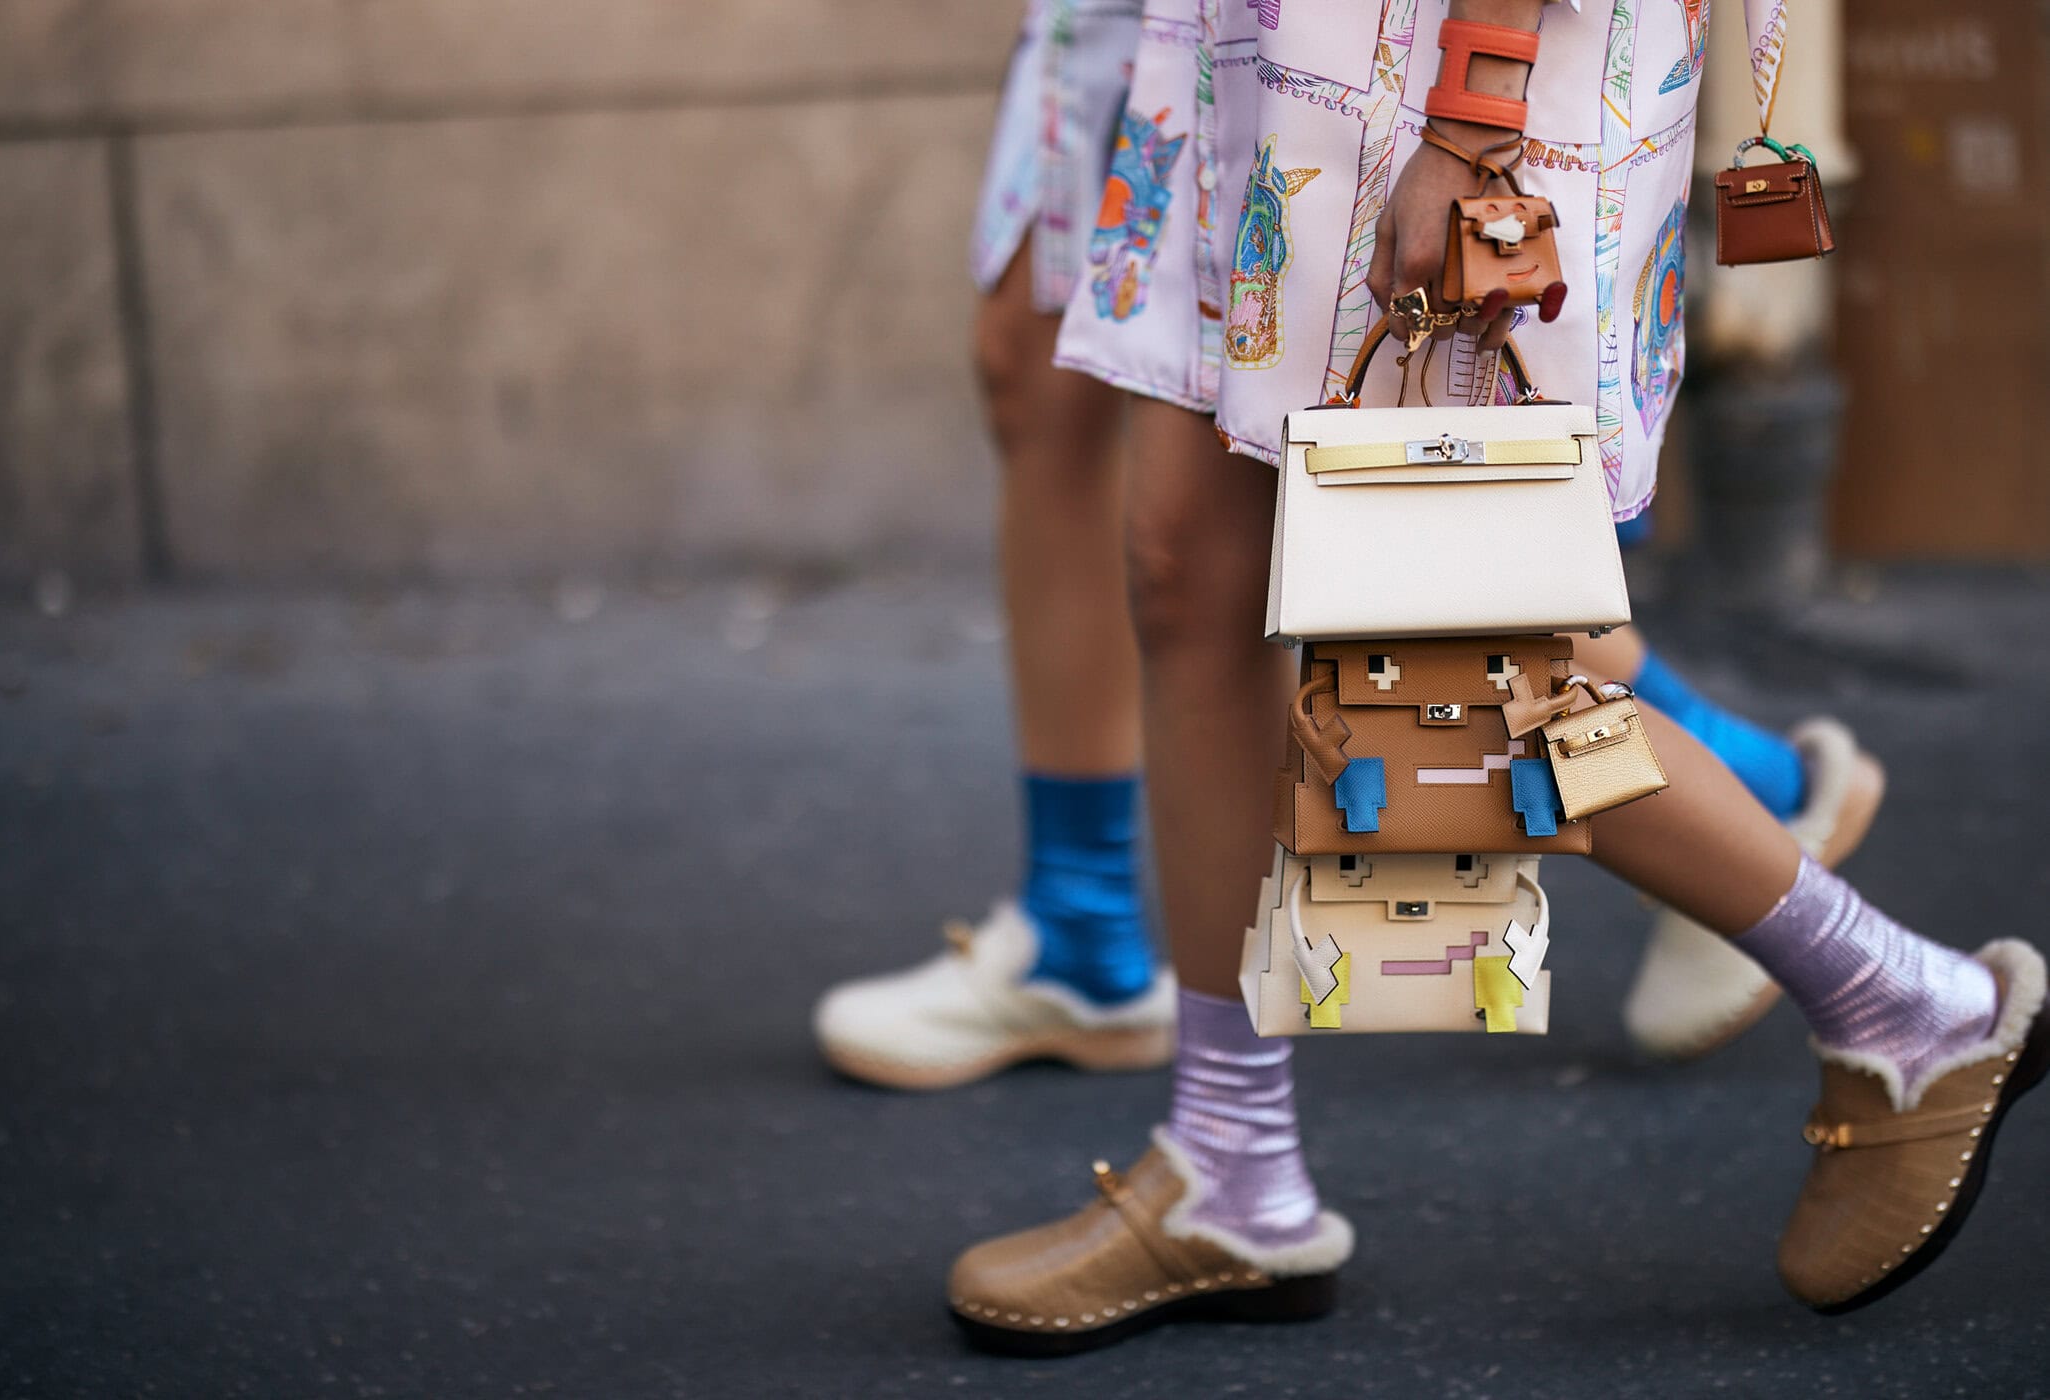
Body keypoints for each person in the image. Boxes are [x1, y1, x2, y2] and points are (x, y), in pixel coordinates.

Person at [940, 0, 2046, 1352]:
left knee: (1460, 663)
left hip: (1430, 71)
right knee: (1187, 574)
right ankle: (1229, 1167)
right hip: (1245, 45)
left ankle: (1906, 1006)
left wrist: (1478, 106)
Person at [814, 0, 1883, 1091]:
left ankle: (1882, 976)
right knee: (1224, 559)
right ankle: (1199, 1107)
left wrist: (1473, 107)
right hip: (1215, 47)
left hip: (1395, 66)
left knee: (1441, 615)